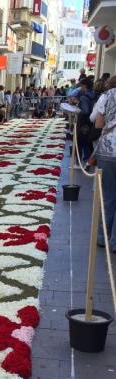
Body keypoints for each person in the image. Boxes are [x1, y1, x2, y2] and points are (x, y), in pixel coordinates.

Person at [94, 79, 116, 252]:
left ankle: (102, 237)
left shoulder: (107, 96)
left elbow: (98, 123)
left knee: (108, 195)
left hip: (108, 150)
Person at [76, 77, 95, 165]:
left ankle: (84, 160)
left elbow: (85, 111)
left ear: (84, 86)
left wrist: (76, 110)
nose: (81, 88)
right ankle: (88, 160)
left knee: (81, 141)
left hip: (84, 122)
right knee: (87, 142)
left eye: (81, 86)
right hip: (91, 122)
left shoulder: (83, 97)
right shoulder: (93, 94)